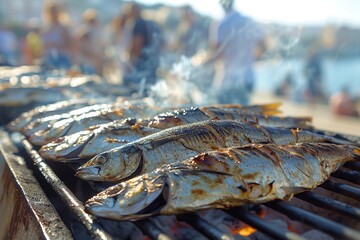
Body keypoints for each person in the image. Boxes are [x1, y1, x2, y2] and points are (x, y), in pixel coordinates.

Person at [193, 0, 265, 104]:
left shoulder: (221, 24)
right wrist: (248, 57)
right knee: (243, 116)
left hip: (227, 79)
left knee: (224, 116)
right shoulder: (248, 21)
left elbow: (216, 53)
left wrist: (199, 62)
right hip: (247, 77)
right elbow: (263, 46)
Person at [41, 1, 73, 69]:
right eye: (51, 12)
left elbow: (70, 46)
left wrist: (54, 45)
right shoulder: (46, 29)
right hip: (48, 59)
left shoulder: (63, 28)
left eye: (55, 12)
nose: (53, 14)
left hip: (61, 60)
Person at [75, 9, 105, 75]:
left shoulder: (98, 32)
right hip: (86, 61)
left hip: (95, 61)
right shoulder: (84, 31)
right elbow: (79, 47)